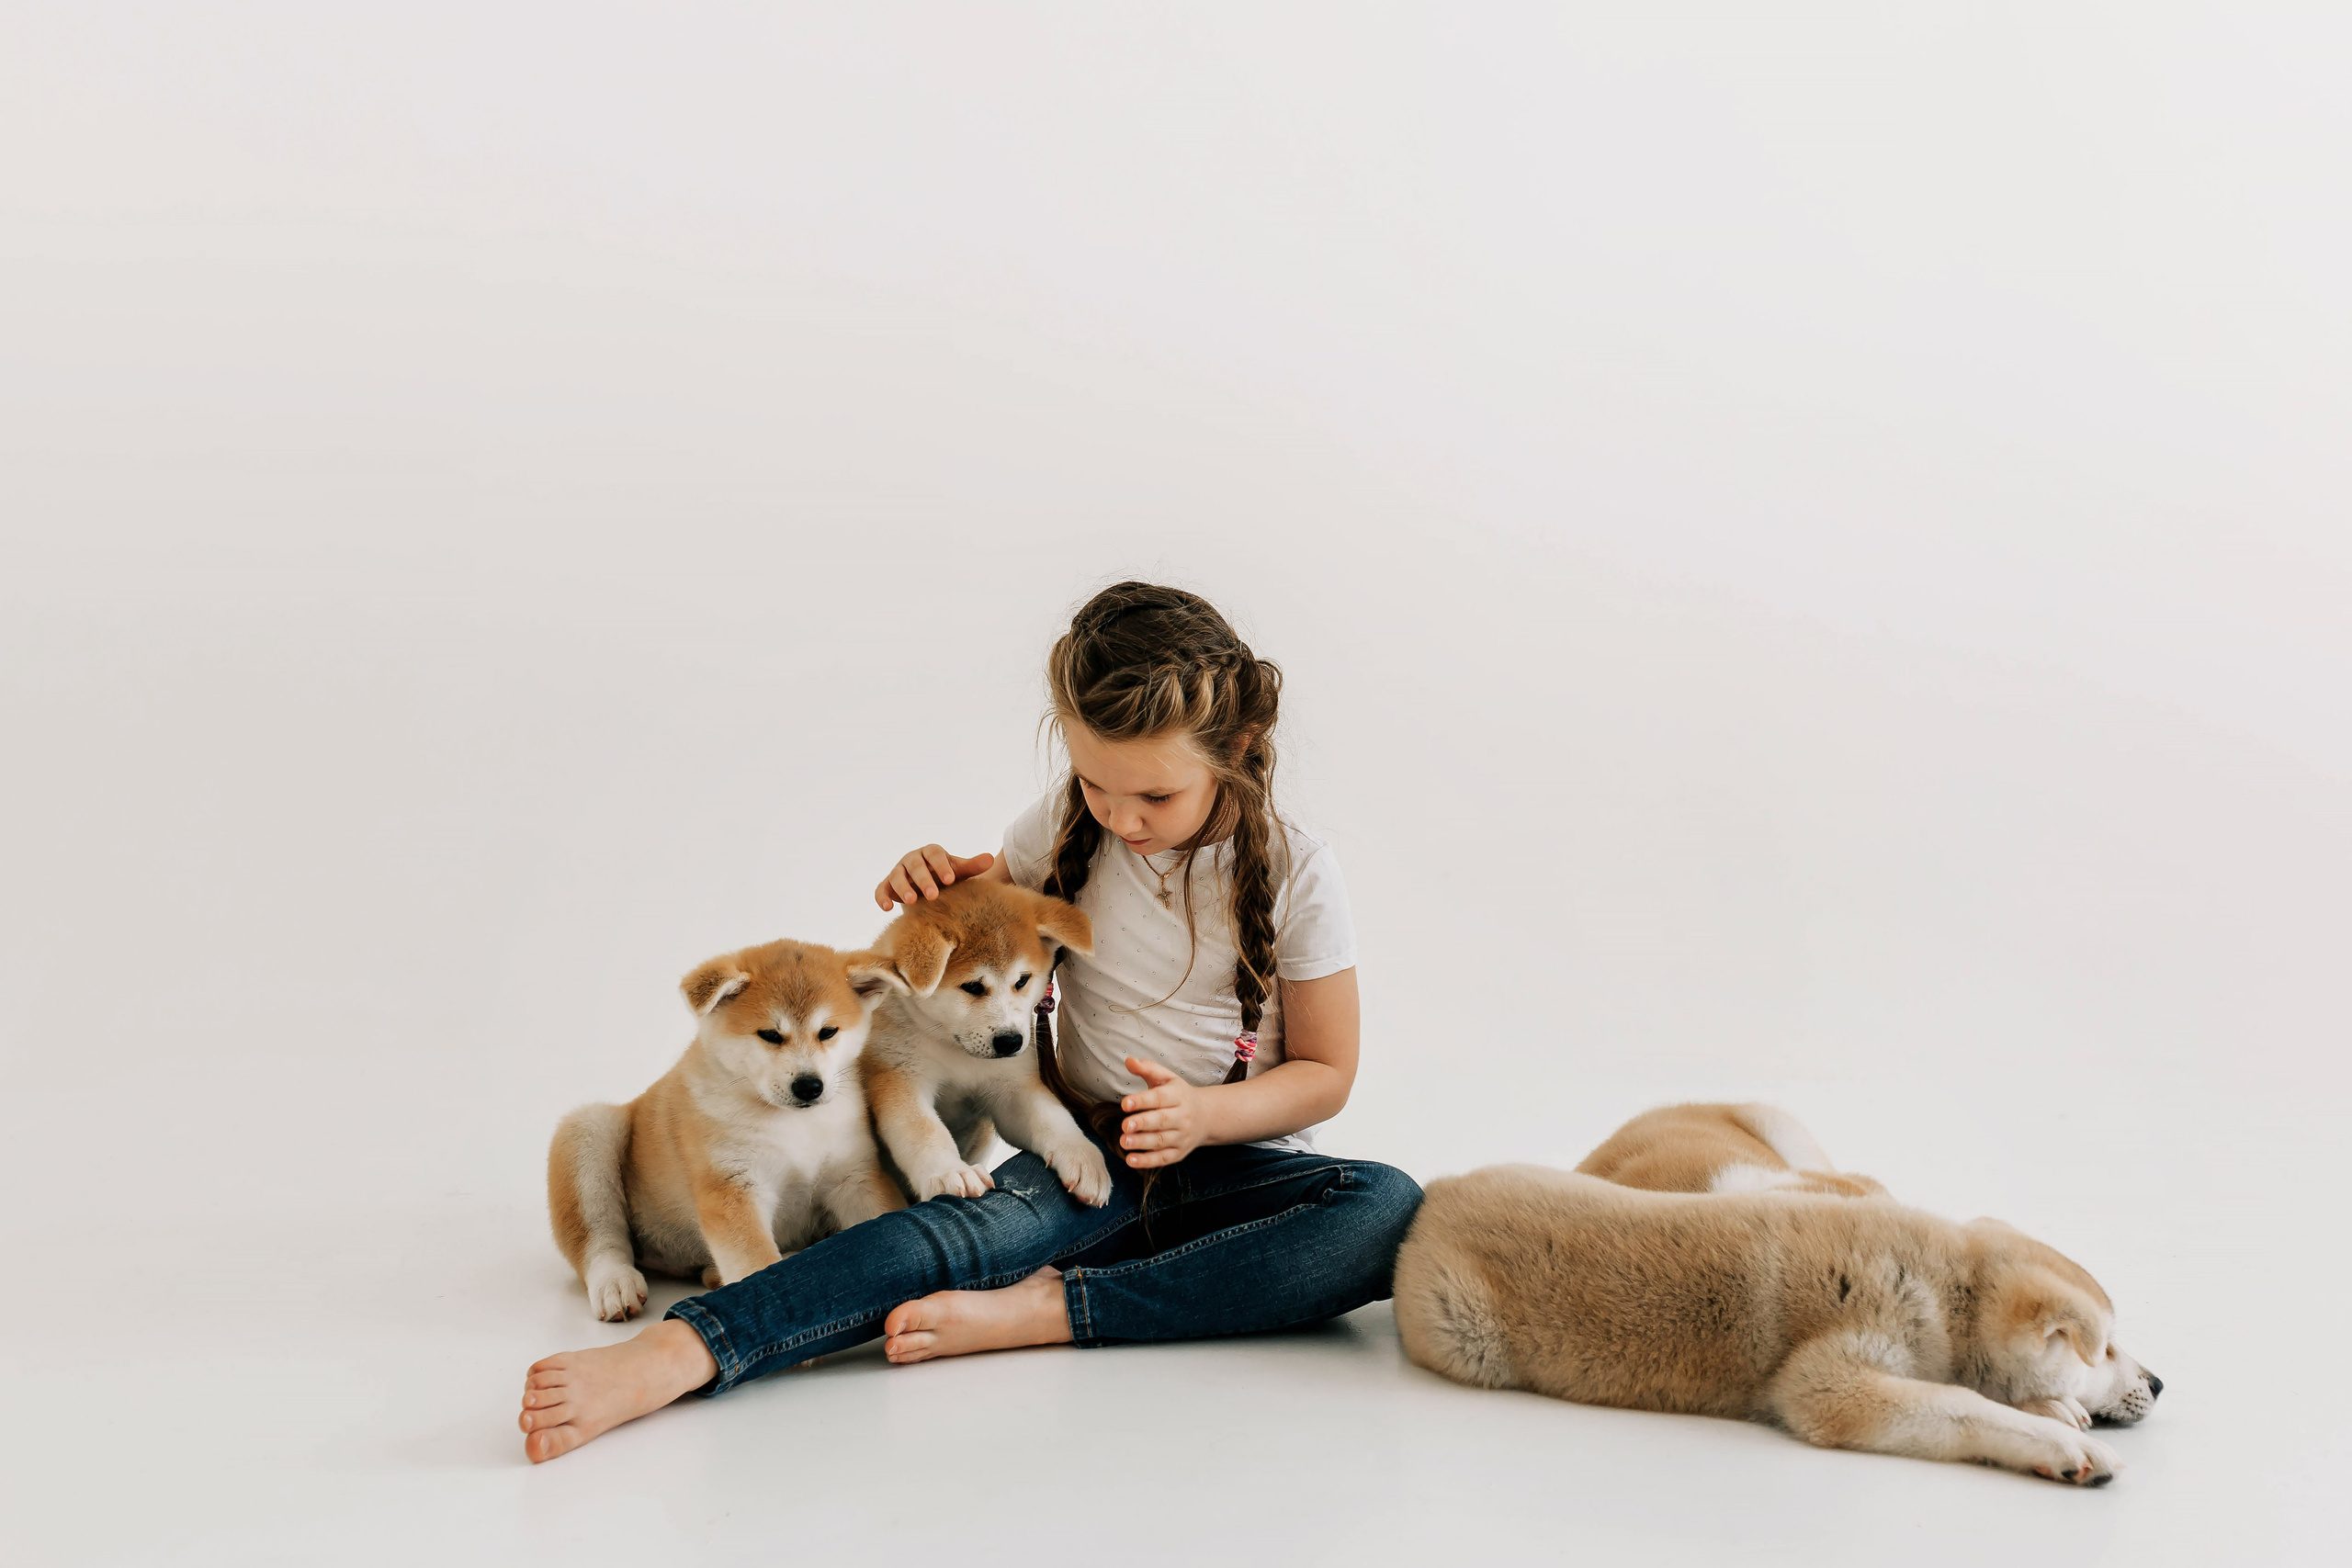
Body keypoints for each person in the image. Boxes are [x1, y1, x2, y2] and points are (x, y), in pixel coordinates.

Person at [517, 581, 1422, 1461]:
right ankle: (688, 1351)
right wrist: (927, 886)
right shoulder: (1059, 827)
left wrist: (1205, 1117)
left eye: (1154, 798)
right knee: (948, 1228)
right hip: (1090, 1153)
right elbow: (973, 943)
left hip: (1249, 1169)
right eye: (1096, 784)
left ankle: (1050, 1310)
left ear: (1241, 746)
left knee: (1384, 1210)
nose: (1120, 817)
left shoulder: (1303, 874)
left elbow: (1326, 1072)